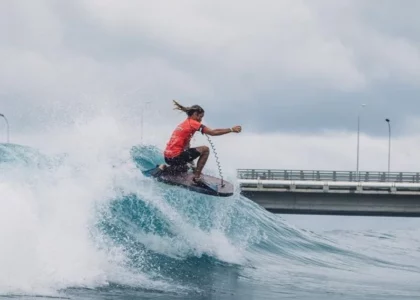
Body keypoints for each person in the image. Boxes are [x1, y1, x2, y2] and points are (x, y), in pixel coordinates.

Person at [161, 100, 241, 184]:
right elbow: (213, 132)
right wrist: (231, 129)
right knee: (205, 149)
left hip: (168, 158)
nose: (201, 120)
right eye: (200, 117)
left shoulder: (184, 124)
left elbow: (186, 148)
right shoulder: (193, 123)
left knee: (185, 168)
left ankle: (165, 168)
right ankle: (196, 177)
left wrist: (193, 167)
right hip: (176, 157)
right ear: (195, 114)